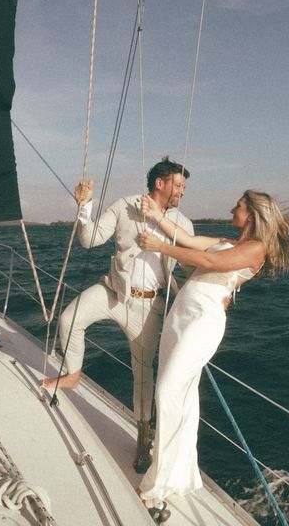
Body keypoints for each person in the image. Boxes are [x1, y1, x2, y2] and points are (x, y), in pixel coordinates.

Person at [136, 190, 289, 515]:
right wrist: (154, 215)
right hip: (181, 312)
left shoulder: (255, 248)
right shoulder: (227, 240)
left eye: (239, 206)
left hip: (202, 320)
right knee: (183, 396)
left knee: (168, 391)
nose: (233, 208)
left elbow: (209, 262)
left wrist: (159, 246)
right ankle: (179, 476)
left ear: (253, 214)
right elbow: (189, 241)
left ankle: (158, 483)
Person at [42, 157, 194, 473]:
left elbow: (189, 266)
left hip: (148, 307)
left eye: (183, 187)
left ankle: (142, 442)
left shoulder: (183, 223)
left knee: (143, 377)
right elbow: (89, 240)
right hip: (113, 293)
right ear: (160, 183)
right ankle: (72, 374)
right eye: (178, 185)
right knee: (69, 319)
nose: (182, 192)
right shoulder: (124, 206)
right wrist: (84, 207)